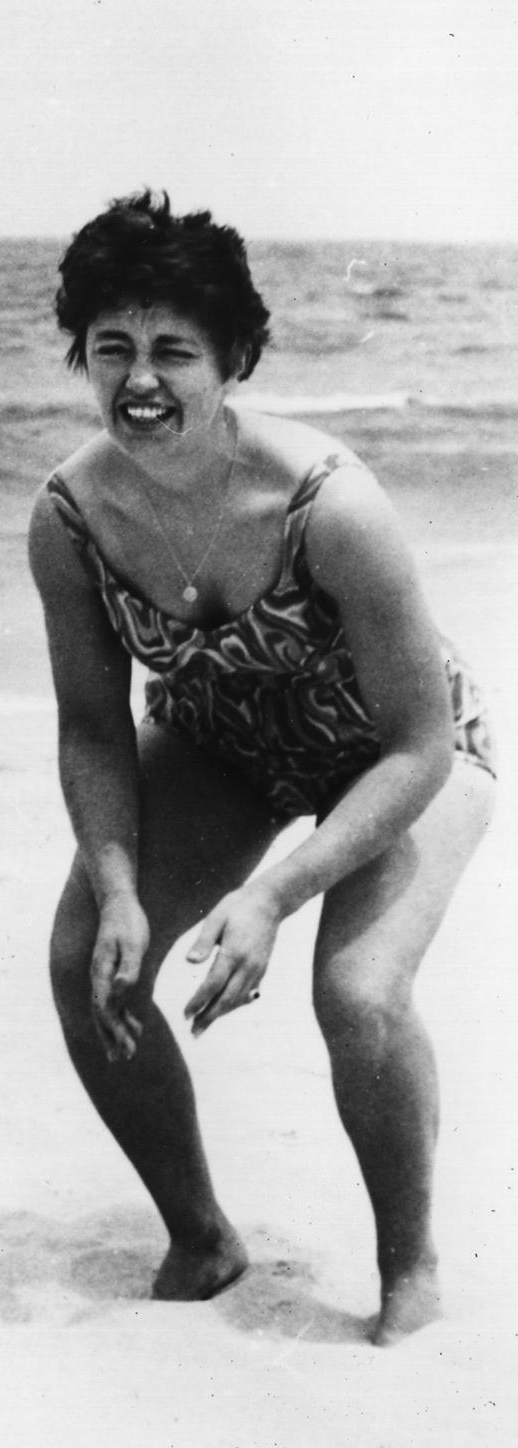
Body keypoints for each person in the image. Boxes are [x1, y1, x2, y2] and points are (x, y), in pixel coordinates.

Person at [28, 190, 496, 1345]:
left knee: (354, 992)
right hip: (222, 740)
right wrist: (123, 885)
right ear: (79, 357)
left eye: (172, 352)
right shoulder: (68, 518)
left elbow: (416, 743)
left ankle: (407, 1263)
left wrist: (270, 895)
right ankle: (198, 1233)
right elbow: (91, 727)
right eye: (111, 350)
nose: (139, 380)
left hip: (397, 752)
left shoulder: (329, 504)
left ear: (231, 359)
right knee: (86, 955)